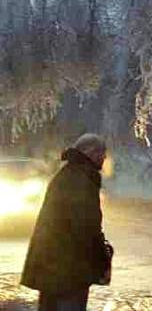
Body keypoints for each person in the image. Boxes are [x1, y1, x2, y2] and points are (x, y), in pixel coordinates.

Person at [21, 133, 113, 311]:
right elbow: (84, 226)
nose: (104, 158)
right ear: (90, 152)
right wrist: (100, 253)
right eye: (101, 153)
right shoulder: (81, 178)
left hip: (53, 264)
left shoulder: (69, 173)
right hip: (69, 267)